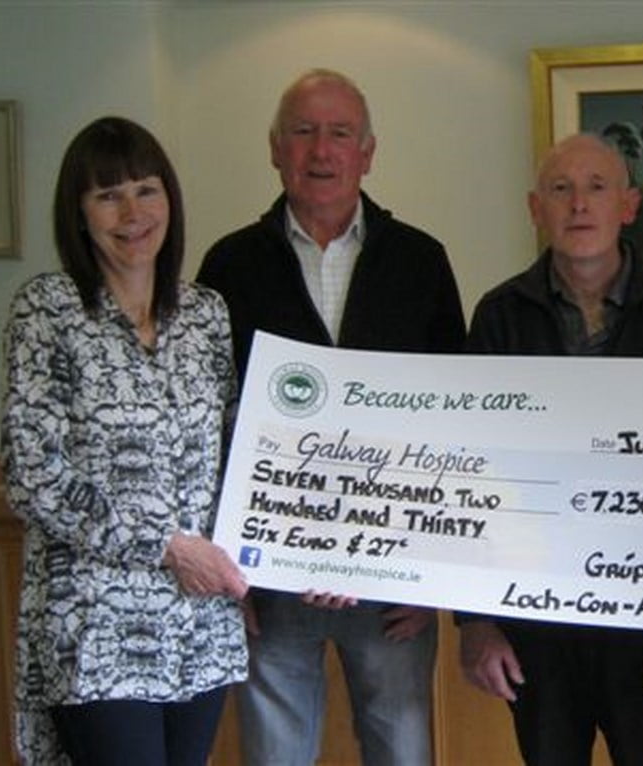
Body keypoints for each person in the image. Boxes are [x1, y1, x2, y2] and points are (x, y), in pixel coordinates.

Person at [196, 69, 465, 766]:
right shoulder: (228, 265)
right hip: (270, 579)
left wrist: (432, 576)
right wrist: (228, 566)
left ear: (367, 152)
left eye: (340, 133)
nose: (322, 150)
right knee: (275, 753)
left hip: (392, 582)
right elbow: (208, 424)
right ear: (275, 149)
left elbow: (454, 424)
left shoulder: (420, 261)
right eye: (304, 132)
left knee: (402, 750)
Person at [459, 133, 643, 765]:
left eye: (597, 187)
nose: (579, 204)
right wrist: (475, 624)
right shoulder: (498, 317)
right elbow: (469, 469)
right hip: (533, 621)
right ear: (534, 208)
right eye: (560, 189)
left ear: (628, 205)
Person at [0, 116, 248, 765]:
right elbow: (33, 475)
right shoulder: (47, 311)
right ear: (78, 214)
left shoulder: (207, 315)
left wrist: (283, 555)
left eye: (146, 189)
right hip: (94, 621)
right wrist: (167, 547)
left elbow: (236, 456)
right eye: (107, 195)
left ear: (170, 199)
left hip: (200, 621)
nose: (132, 212)